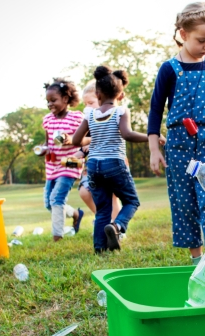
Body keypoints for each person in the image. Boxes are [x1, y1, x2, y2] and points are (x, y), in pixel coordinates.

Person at [147, 2, 205, 265]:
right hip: (179, 144)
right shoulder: (169, 69)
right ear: (183, 35)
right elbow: (154, 110)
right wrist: (153, 149)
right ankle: (197, 258)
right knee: (184, 201)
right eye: (201, 40)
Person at [73, 66, 163, 253]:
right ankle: (117, 227)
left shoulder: (90, 114)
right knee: (131, 202)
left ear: (97, 94)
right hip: (114, 163)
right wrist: (151, 136)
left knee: (103, 209)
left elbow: (75, 140)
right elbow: (127, 134)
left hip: (94, 166)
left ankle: (100, 248)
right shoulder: (121, 111)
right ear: (120, 95)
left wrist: (91, 138)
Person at [41, 77, 85, 242]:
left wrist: (71, 139)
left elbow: (86, 139)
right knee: (48, 203)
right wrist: (43, 149)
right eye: (48, 101)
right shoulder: (47, 120)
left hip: (71, 163)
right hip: (52, 166)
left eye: (54, 100)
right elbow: (48, 143)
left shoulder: (76, 118)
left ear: (65, 99)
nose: (50, 104)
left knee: (56, 199)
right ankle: (75, 214)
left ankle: (57, 236)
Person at [76, 83, 122, 222]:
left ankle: (117, 228)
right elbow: (82, 143)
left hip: (112, 163)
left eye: (91, 102)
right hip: (93, 168)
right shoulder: (89, 121)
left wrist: (92, 142)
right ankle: (104, 220)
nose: (87, 107)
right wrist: (77, 155)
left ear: (102, 99)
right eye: (85, 104)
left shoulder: (115, 115)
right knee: (84, 192)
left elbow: (117, 137)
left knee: (112, 197)